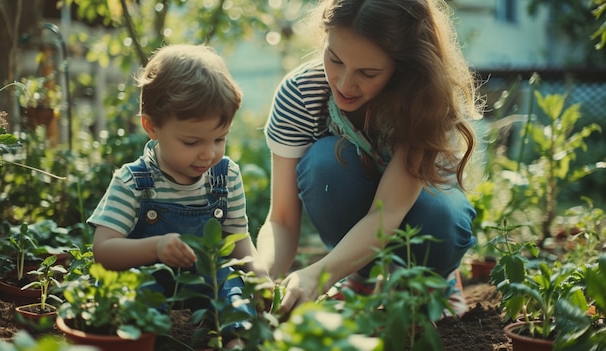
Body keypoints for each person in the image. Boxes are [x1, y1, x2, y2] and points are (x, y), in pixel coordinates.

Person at [256, 0, 482, 316]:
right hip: (359, 213)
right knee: (324, 165)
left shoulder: (423, 98)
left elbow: (387, 212)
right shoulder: (301, 94)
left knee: (441, 216)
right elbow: (281, 219)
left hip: (417, 210)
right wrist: (260, 276)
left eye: (368, 72)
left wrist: (318, 275)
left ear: (402, 65)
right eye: (334, 59)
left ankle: (432, 283)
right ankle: (359, 276)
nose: (345, 84)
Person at [88, 44, 265, 348]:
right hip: (147, 278)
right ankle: (152, 338)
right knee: (140, 297)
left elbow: (239, 239)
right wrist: (155, 247)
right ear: (151, 126)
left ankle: (232, 338)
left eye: (220, 139)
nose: (208, 153)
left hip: (205, 279)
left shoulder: (226, 176)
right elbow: (103, 249)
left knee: (228, 287)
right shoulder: (134, 181)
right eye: (191, 141)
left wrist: (259, 275)